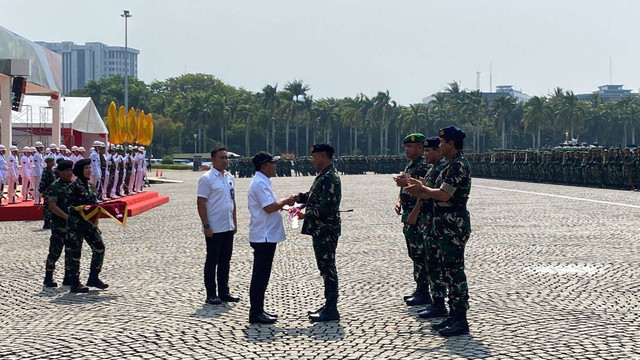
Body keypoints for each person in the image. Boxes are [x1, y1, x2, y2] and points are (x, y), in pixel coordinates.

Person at [404, 125, 472, 337]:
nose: (439, 145)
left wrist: (422, 190)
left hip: (453, 225)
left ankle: (460, 319)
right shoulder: (448, 165)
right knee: (446, 271)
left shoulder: (458, 165)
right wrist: (420, 188)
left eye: (442, 142)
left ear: (451, 144)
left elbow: (444, 195)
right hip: (441, 224)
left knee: (454, 272)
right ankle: (452, 315)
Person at [247, 151, 296, 324]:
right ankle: (256, 312)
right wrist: (286, 200)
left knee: (263, 274)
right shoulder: (260, 183)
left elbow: (271, 206)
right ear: (263, 166)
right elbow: (269, 207)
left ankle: (259, 309)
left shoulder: (263, 182)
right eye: (272, 163)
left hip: (266, 235)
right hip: (263, 235)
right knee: (260, 275)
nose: (275, 166)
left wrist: (292, 208)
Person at [294, 143, 342, 322]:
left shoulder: (330, 177)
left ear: (323, 156)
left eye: (315, 157)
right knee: (324, 268)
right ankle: (329, 304)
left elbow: (326, 208)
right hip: (321, 230)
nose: (312, 160)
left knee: (328, 268)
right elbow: (315, 196)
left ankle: (332, 308)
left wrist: (304, 214)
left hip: (326, 230)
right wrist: (299, 198)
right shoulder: (324, 175)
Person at [197, 147, 239, 305]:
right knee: (212, 261)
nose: (225, 160)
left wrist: (234, 221)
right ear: (213, 159)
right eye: (221, 158)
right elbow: (201, 202)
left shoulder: (229, 177)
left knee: (225, 261)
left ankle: (224, 291)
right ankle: (211, 294)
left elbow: (232, 201)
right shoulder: (207, 178)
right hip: (214, 227)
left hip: (227, 225)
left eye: (226, 157)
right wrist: (206, 225)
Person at [393, 133, 431, 306]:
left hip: (418, 215)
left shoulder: (423, 167)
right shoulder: (411, 165)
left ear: (420, 148)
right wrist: (399, 201)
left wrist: (415, 213)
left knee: (420, 254)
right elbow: (406, 189)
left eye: (411, 146)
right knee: (414, 253)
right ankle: (420, 288)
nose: (407, 149)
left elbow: (422, 192)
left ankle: (424, 291)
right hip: (409, 213)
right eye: (406, 146)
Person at [415, 137, 449, 319]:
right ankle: (438, 304)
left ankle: (453, 313)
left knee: (448, 269)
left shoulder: (446, 168)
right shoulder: (434, 169)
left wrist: (421, 189)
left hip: (443, 223)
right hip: (431, 223)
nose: (425, 153)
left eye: (429, 151)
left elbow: (440, 194)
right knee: (433, 265)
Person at [65, 158, 109, 293]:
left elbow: (95, 203)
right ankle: (75, 282)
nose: (89, 170)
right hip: (76, 225)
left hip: (90, 224)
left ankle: (94, 277)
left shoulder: (91, 186)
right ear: (80, 171)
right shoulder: (73, 186)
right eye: (86, 168)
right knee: (75, 253)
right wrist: (80, 209)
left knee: (99, 247)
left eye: (90, 168)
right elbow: (68, 207)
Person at [43, 160, 74, 287]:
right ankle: (48, 277)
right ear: (60, 172)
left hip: (71, 225)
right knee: (55, 251)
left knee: (70, 251)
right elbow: (52, 206)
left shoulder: (73, 185)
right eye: (66, 171)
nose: (69, 173)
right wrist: (67, 217)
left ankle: (68, 277)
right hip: (58, 225)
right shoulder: (54, 186)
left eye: (70, 171)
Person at [39, 157, 56, 229]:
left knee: (50, 207)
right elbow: (43, 181)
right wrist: (41, 190)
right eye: (52, 161)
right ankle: (46, 223)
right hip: (47, 192)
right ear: (48, 163)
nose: (53, 162)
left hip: (51, 191)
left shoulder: (51, 170)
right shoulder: (46, 171)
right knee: (47, 208)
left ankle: (50, 221)